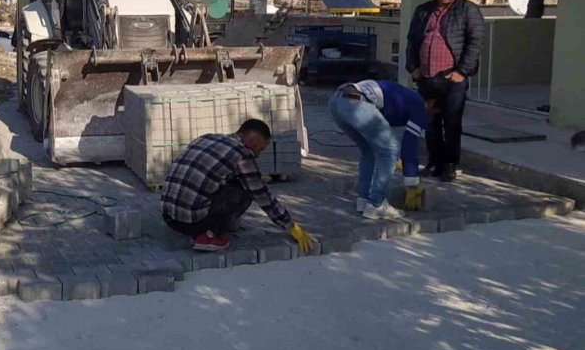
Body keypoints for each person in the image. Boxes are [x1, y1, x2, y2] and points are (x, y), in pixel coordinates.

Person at [161, 119, 315, 253]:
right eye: (260, 148)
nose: (258, 154)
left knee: (231, 179)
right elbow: (262, 195)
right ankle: (211, 235)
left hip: (169, 218)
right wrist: (290, 225)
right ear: (253, 139)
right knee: (246, 189)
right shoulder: (242, 155)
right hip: (191, 224)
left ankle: (211, 222)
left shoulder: (207, 138)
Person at [406, 0, 485, 182]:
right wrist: (413, 67)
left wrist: (461, 72)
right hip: (427, 78)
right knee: (430, 123)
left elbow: (475, 43)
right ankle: (435, 162)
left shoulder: (468, 11)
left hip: (452, 79)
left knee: (451, 123)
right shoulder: (423, 10)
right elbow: (412, 40)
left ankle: (450, 164)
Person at [328, 79, 435, 220]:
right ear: (432, 103)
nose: (431, 116)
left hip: (338, 100)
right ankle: (376, 204)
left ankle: (363, 199)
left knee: (369, 150)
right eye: (434, 111)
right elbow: (409, 145)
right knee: (391, 150)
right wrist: (412, 182)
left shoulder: (404, 95)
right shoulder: (420, 106)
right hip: (356, 102)